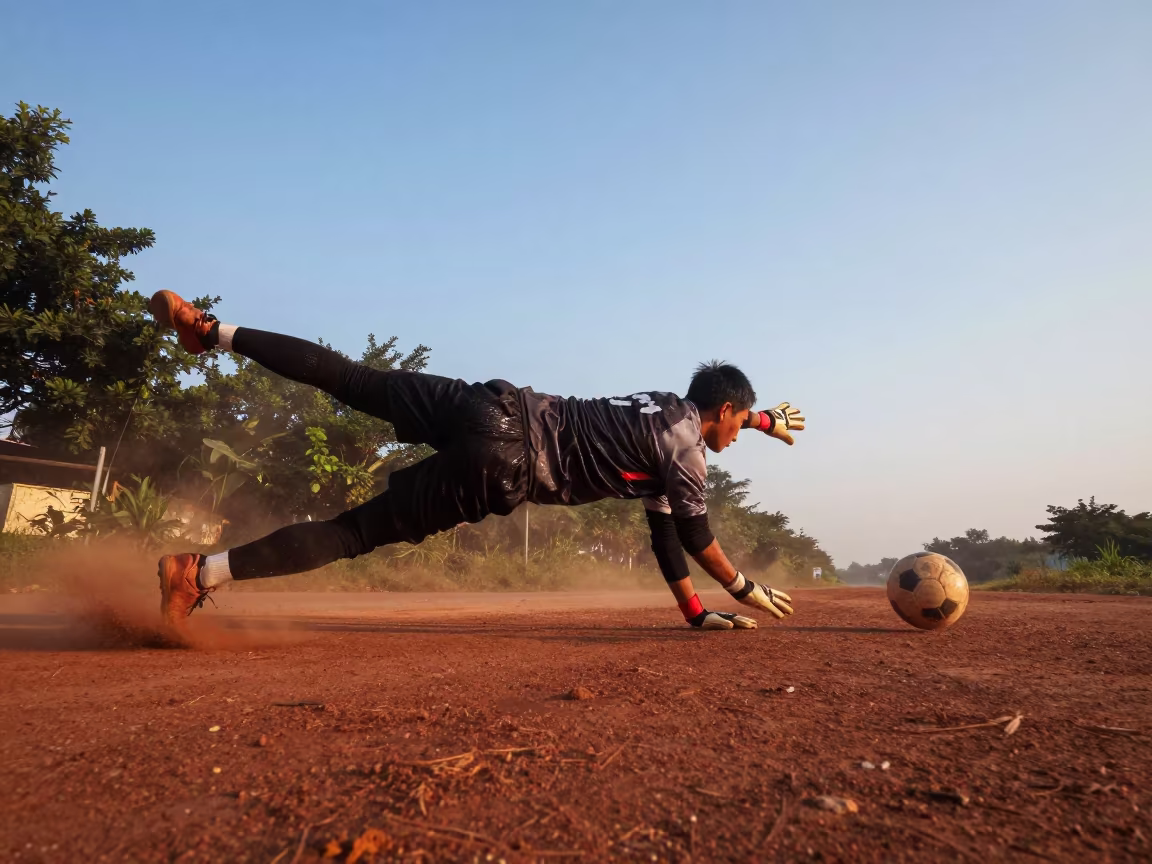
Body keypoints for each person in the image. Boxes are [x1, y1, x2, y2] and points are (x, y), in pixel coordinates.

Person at [150, 290, 805, 632]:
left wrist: (694, 612)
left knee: (352, 379)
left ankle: (209, 330)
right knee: (356, 531)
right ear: (722, 411)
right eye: (740, 425)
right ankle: (199, 574)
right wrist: (740, 587)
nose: (740, 438)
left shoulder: (665, 406)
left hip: (493, 405)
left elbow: (664, 530)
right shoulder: (689, 455)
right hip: (504, 465)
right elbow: (693, 534)